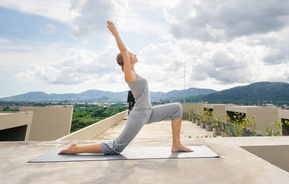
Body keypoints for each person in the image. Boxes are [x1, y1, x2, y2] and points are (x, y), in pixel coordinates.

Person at [59, 20, 192, 155]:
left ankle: (176, 144)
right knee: (116, 148)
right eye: (131, 55)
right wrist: (115, 33)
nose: (134, 54)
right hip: (139, 114)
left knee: (177, 108)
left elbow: (125, 51)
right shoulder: (128, 74)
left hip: (149, 112)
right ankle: (75, 149)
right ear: (125, 60)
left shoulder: (134, 73)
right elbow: (123, 51)